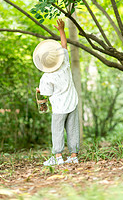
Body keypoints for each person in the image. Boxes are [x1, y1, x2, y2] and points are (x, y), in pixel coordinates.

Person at [33, 19, 80, 166]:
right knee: (73, 129)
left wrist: (39, 90)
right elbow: (64, 46)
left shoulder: (46, 77)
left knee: (57, 130)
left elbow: (46, 93)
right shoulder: (65, 63)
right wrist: (61, 30)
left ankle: (58, 156)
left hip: (59, 108)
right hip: (72, 102)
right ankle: (73, 155)